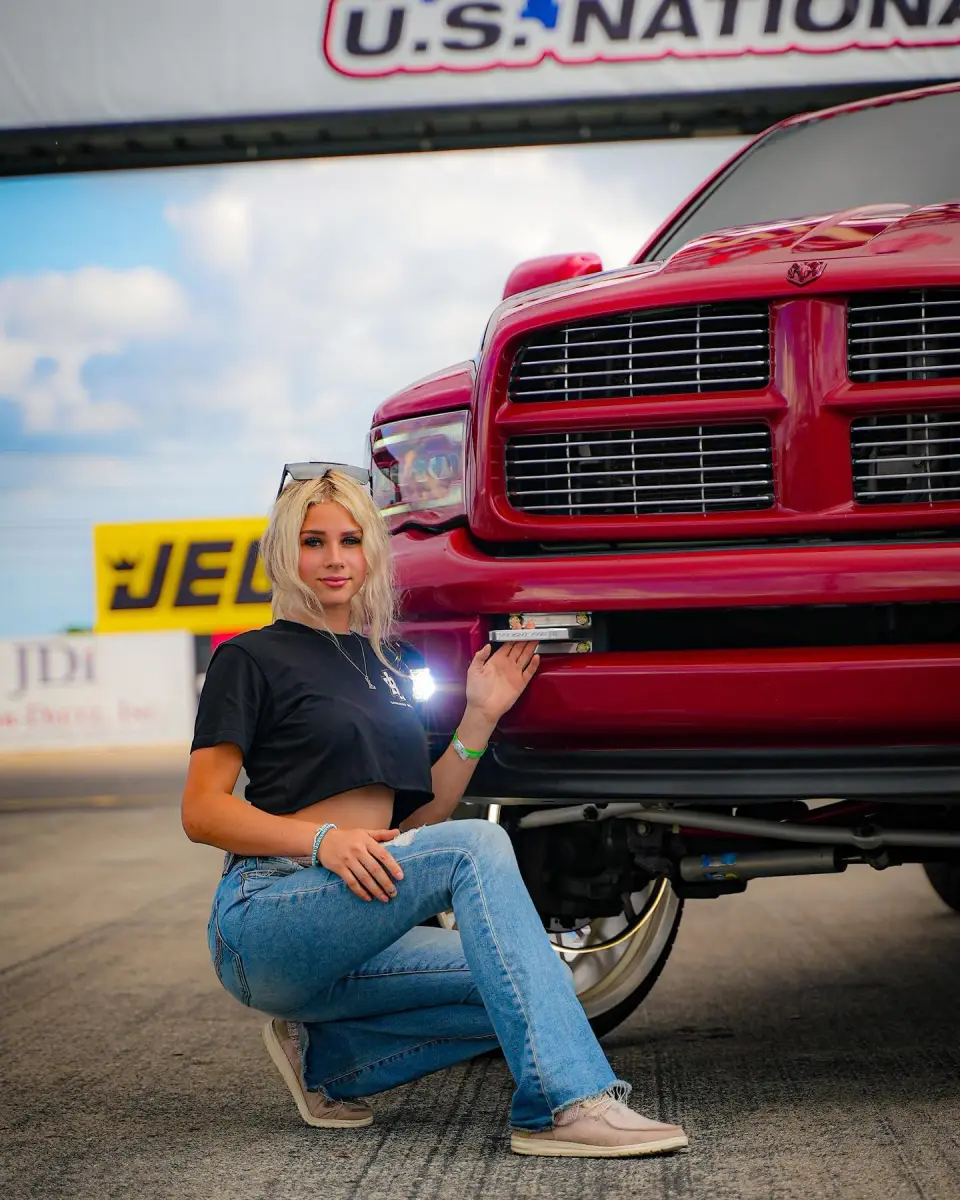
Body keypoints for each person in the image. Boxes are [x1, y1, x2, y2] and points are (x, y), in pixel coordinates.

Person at [181, 463, 688, 1158]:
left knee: (532, 980)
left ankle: (328, 1057)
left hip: (366, 914)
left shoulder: (387, 665)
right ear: (282, 552)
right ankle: (566, 1104)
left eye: (351, 540)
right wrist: (322, 840)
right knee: (476, 850)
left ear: (372, 552)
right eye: (314, 541)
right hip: (268, 915)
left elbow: (415, 825)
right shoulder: (251, 658)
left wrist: (479, 717)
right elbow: (202, 812)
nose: (335, 559)